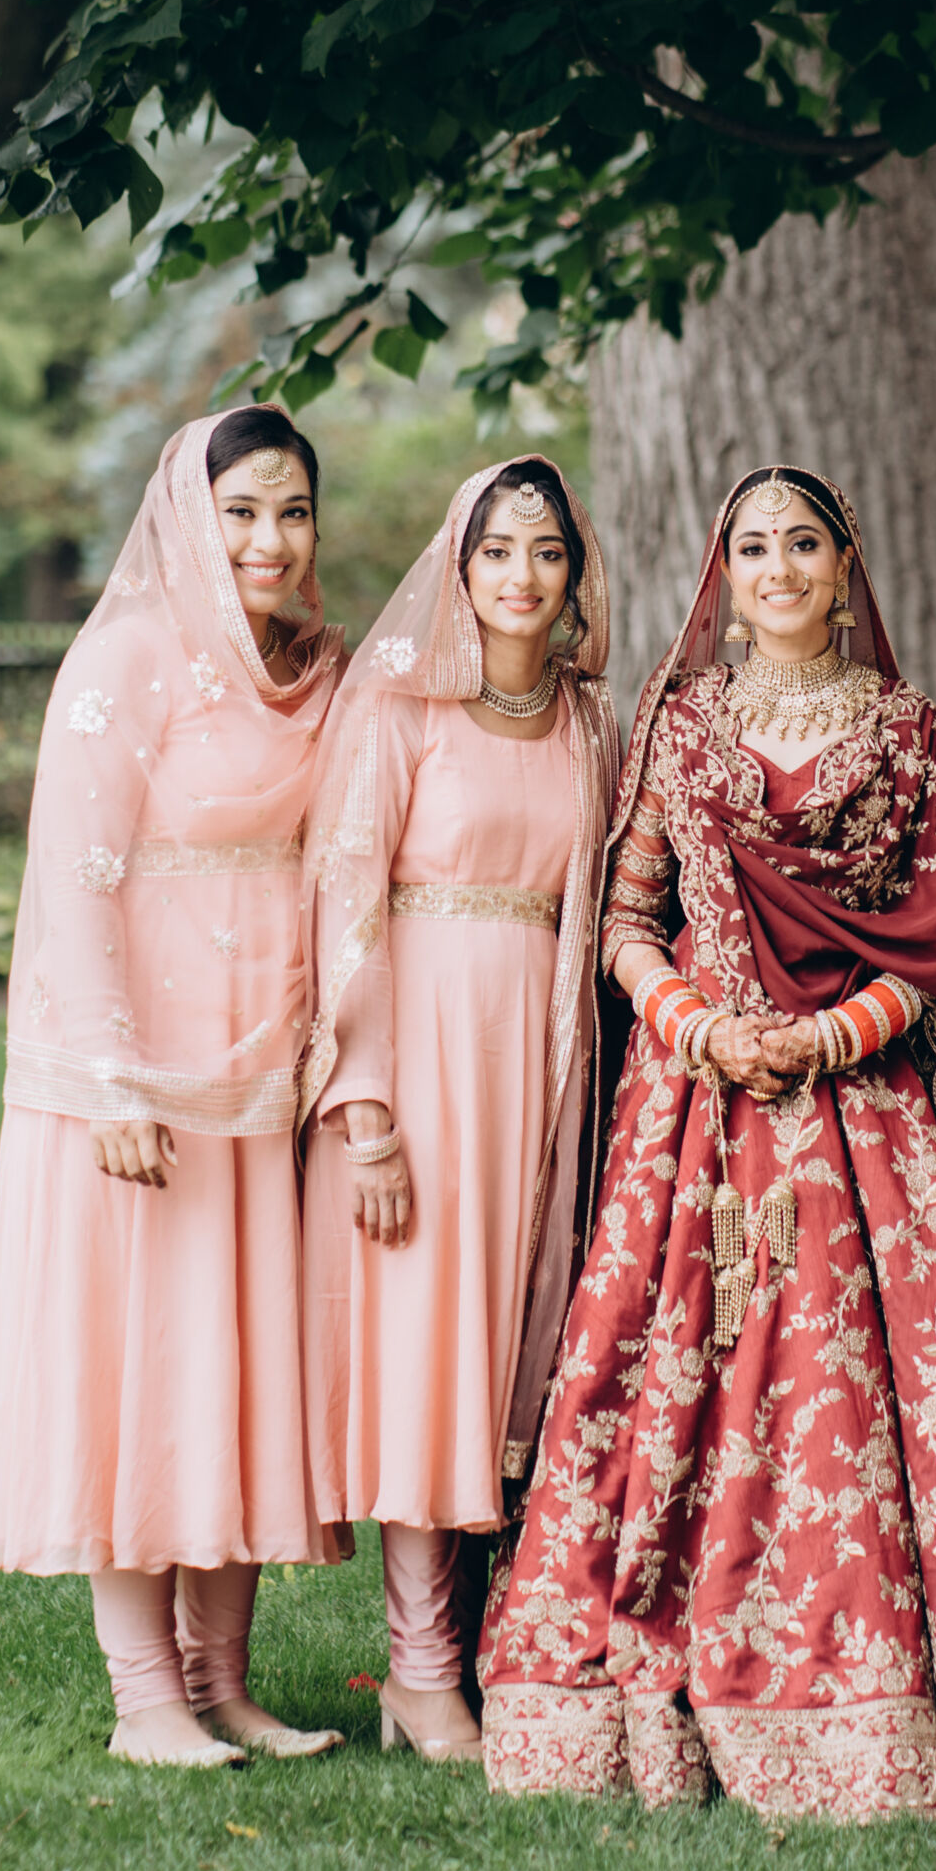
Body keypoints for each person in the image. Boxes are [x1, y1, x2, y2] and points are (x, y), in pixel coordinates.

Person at [480, 464, 936, 1823]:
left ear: (843, 565)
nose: (778, 569)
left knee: (876, 1376)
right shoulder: (682, 721)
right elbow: (629, 921)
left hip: (862, 1099)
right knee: (679, 1357)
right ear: (727, 572)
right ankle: (648, 1674)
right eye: (754, 547)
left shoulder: (905, 728)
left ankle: (922, 1682)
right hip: (696, 1104)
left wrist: (831, 1036)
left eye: (802, 545)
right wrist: (700, 1025)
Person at [0, 407, 347, 1767]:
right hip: (141, 1085)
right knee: (140, 1380)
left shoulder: (314, 669)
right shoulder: (127, 657)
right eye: (241, 511)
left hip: (259, 1076)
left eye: (292, 511)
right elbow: (76, 880)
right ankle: (144, 1701)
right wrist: (111, 1082)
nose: (269, 540)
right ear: (187, 516)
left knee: (232, 1377)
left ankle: (224, 1684)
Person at [299, 457, 618, 1764]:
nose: (521, 576)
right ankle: (421, 1673)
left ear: (575, 572)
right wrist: (367, 1108)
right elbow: (346, 900)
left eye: (546, 551)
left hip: (539, 1063)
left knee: (506, 1362)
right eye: (497, 551)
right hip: (422, 1059)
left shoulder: (589, 724)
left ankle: (493, 1648)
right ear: (460, 566)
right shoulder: (401, 710)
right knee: (426, 1358)